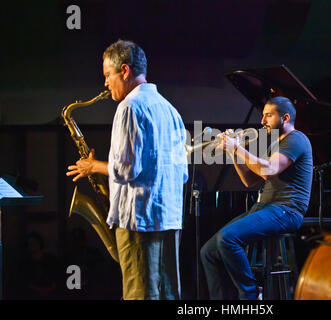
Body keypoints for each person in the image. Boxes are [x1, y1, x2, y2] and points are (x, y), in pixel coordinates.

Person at [67, 40, 188, 300]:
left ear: (124, 71)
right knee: (169, 295)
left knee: (138, 294)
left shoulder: (130, 107)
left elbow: (125, 169)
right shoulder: (170, 110)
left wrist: (93, 166)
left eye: (108, 75)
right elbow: (183, 172)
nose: (105, 83)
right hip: (169, 218)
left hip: (139, 221)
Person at [200, 96, 313, 300]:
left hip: (287, 210)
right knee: (208, 251)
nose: (262, 121)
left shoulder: (296, 138)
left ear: (285, 117)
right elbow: (249, 181)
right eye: (263, 116)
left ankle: (251, 296)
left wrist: (237, 147)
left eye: (268, 116)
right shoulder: (276, 146)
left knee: (228, 239)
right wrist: (233, 152)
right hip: (266, 208)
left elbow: (268, 170)